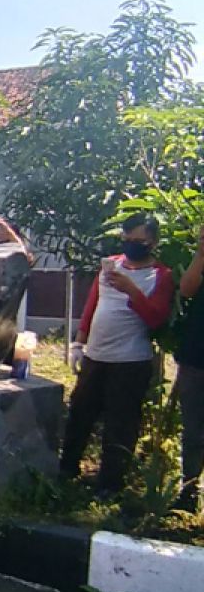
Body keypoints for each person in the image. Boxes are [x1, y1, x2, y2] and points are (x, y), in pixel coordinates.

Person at [61, 213, 174, 497]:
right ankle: (67, 470)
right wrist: (78, 343)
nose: (132, 244)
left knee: (120, 424)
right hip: (96, 356)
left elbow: (156, 318)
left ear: (152, 241)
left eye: (138, 240)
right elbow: (92, 307)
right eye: (127, 239)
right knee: (79, 413)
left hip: (130, 361)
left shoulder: (161, 275)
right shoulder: (110, 266)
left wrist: (132, 291)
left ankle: (110, 485)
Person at [173, 225, 204, 513]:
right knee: (193, 431)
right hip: (196, 357)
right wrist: (201, 251)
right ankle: (189, 490)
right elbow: (187, 288)